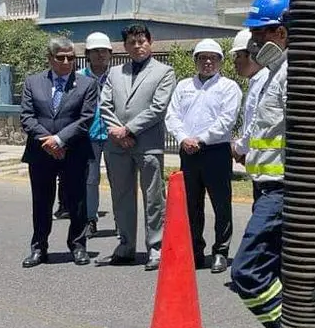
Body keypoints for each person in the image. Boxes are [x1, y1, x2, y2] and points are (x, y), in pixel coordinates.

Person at [229, 0, 290, 328]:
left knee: (246, 271)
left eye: (261, 32)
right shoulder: (268, 76)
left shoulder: (291, 75)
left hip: (282, 193)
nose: (252, 42)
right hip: (263, 187)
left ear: (282, 32)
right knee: (280, 274)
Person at [98, 23, 177, 271]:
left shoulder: (165, 72)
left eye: (141, 41)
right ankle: (126, 246)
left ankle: (156, 247)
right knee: (121, 196)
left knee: (154, 198)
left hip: (148, 144)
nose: (137, 46)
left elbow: (158, 108)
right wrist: (118, 133)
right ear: (125, 46)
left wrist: (129, 129)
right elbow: (105, 106)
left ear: (150, 42)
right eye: (132, 42)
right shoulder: (114, 73)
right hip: (117, 145)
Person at [19, 36, 99, 267]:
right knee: (42, 201)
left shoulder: (87, 84)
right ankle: (39, 248)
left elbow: (86, 119)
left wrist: (60, 140)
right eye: (61, 57)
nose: (66, 62)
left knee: (77, 202)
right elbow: (26, 116)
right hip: (40, 152)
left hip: (74, 151)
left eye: (71, 58)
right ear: (50, 58)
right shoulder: (33, 82)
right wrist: (48, 141)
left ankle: (78, 246)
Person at [165, 39, 243, 273]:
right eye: (202, 57)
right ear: (195, 61)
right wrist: (183, 138)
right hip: (188, 151)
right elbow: (172, 116)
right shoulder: (183, 86)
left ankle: (221, 251)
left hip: (215, 151)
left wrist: (200, 139)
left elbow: (226, 120)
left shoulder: (229, 87)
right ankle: (195, 250)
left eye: (212, 57)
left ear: (220, 61)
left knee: (221, 205)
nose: (207, 62)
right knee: (191, 205)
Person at [77, 32, 114, 237]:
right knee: (90, 180)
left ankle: (121, 221)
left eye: (104, 51)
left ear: (110, 54)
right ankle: (90, 219)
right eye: (96, 51)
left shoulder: (118, 77)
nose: (100, 55)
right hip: (87, 136)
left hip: (113, 134)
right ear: (87, 54)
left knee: (118, 179)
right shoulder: (78, 78)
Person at [230, 27, 271, 202]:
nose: (235, 62)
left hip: (267, 168)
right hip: (259, 166)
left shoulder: (263, 82)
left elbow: (256, 124)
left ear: (253, 55)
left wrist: (238, 148)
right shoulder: (257, 82)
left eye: (239, 56)